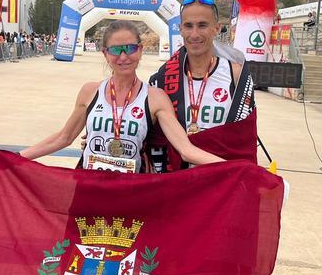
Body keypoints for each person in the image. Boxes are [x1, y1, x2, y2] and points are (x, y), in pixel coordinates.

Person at [19, 20, 223, 172]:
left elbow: (186, 150)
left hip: (132, 193)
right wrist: (17, 157)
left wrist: (238, 168)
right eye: (116, 50)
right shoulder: (90, 92)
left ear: (141, 51)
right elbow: (63, 138)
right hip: (89, 187)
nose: (124, 57)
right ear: (105, 54)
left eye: (131, 48)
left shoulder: (155, 98)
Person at [147, 0, 258, 173]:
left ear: (216, 28)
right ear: (180, 29)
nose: (195, 34)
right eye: (189, 26)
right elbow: (149, 135)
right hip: (176, 180)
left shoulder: (236, 75)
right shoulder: (162, 79)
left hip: (220, 180)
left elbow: (244, 140)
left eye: (202, 25)